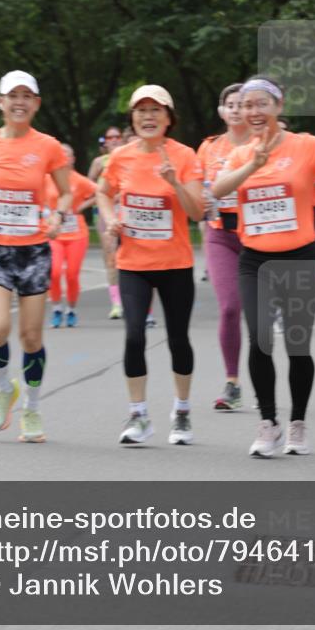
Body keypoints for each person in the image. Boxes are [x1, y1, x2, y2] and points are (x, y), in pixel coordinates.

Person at [212, 70, 315, 457]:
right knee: (260, 339)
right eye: (247, 104)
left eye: (261, 103)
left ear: (278, 106)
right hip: (254, 261)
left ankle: (298, 422)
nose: (253, 111)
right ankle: (268, 423)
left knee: (297, 345)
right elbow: (218, 190)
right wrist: (253, 164)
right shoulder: (240, 153)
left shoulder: (305, 146)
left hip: (299, 258)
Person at [0, 70, 71, 443]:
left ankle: (33, 409)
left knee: (31, 337)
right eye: (13, 96)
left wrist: (58, 214)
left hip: (34, 249)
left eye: (27, 96)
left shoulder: (49, 146)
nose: (19, 102)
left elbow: (66, 192)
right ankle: (3, 388)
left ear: (36, 104)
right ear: (1, 102)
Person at [97, 85, 204, 446]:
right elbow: (102, 192)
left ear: (168, 118)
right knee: (133, 336)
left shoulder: (184, 156)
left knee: (177, 339)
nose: (148, 116)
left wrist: (175, 182)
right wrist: (111, 217)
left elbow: (197, 211)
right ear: (132, 118)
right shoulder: (121, 157)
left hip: (174, 262)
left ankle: (183, 411)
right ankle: (139, 415)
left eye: (156, 110)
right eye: (141, 111)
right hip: (133, 262)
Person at [197, 83, 251, 412]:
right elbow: (199, 189)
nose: (235, 109)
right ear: (221, 111)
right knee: (230, 308)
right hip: (220, 234)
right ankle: (232, 381)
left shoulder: (264, 146)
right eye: (229, 104)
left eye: (241, 104)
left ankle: (265, 377)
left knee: (260, 313)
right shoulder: (208, 148)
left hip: (258, 235)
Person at [46, 144, 96, 327]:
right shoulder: (47, 179)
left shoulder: (79, 180)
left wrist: (80, 207)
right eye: (61, 155)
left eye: (67, 155)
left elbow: (100, 192)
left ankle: (71, 309)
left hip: (76, 234)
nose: (64, 158)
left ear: (73, 159)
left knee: (72, 275)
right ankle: (57, 308)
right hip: (54, 234)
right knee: (55, 271)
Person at [88, 127, 125, 319]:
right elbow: (89, 185)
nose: (114, 140)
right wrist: (104, 193)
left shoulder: (129, 156)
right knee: (111, 257)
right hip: (104, 212)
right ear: (105, 141)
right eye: (110, 137)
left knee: (130, 256)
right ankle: (116, 303)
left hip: (127, 210)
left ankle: (132, 298)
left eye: (117, 136)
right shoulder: (99, 162)